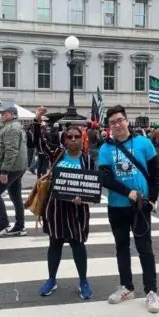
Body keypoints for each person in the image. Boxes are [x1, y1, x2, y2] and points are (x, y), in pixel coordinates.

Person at [97, 105, 159, 313]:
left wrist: (153, 198)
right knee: (121, 248)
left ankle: (151, 290)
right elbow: (105, 178)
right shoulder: (105, 149)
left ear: (127, 121)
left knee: (145, 249)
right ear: (109, 126)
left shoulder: (144, 143)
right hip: (117, 206)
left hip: (140, 206)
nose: (117, 125)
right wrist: (128, 192)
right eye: (112, 123)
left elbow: (155, 173)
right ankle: (126, 286)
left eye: (119, 120)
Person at [33, 107, 93, 300]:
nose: (73, 140)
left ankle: (83, 281)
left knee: (78, 245)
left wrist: (83, 197)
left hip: (77, 210)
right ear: (65, 140)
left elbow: (92, 187)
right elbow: (40, 142)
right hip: (56, 208)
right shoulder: (57, 154)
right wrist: (37, 120)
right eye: (69, 137)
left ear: (82, 139)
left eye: (77, 137)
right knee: (55, 243)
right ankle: (51, 279)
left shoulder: (88, 160)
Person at [0, 102, 28, 237]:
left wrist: (4, 171)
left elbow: (11, 150)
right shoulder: (11, 126)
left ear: (11, 114)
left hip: (10, 168)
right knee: (15, 196)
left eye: (3, 113)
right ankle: (19, 226)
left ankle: (3, 224)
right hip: (16, 167)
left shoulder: (11, 128)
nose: (1, 115)